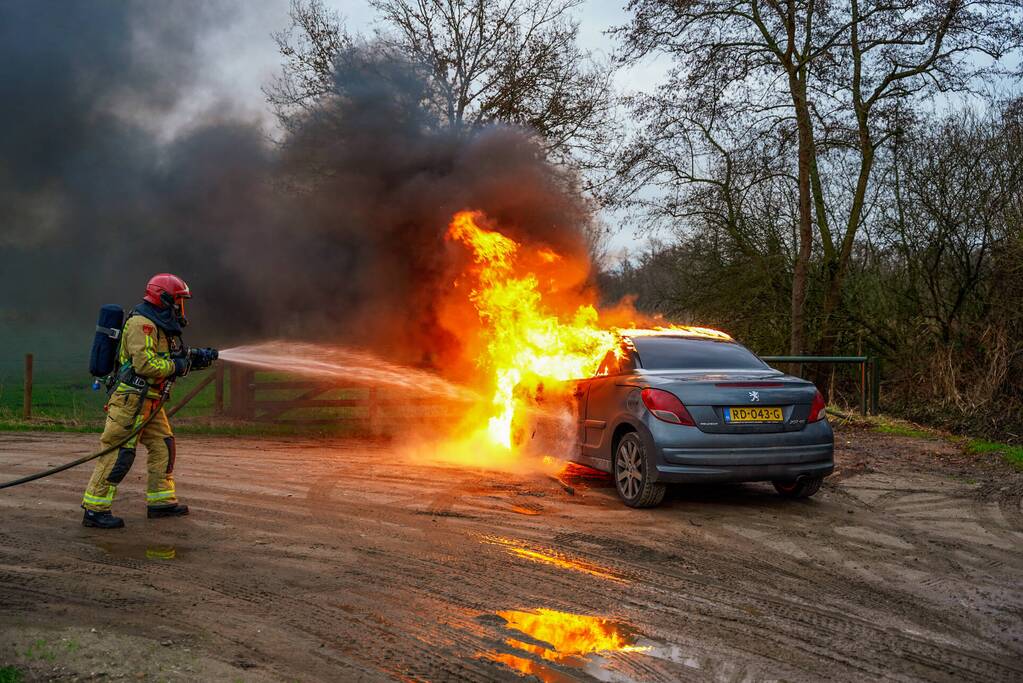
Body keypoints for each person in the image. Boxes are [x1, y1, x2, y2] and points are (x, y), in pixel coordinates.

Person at [81, 273, 216, 529]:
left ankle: (160, 502)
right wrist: (177, 366)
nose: (180, 307)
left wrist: (196, 358)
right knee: (119, 453)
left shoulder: (160, 325)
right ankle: (94, 509)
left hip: (150, 400)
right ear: (163, 298)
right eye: (178, 300)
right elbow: (145, 364)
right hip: (131, 401)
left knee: (163, 446)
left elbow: (170, 357)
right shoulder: (141, 324)